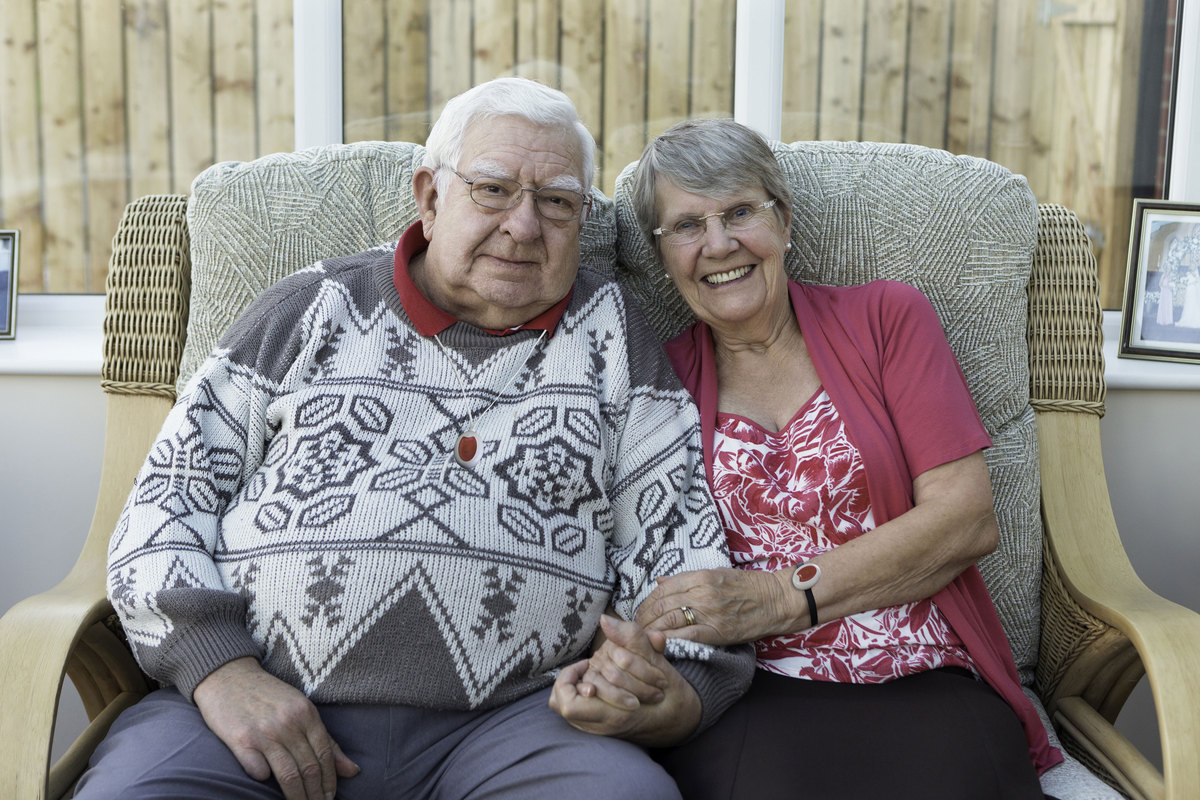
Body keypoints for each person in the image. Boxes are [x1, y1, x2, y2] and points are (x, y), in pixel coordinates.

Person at [78, 79, 753, 800]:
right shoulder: (308, 309)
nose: (525, 227)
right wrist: (220, 671)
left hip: (513, 725)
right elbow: (161, 509)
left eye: (557, 202)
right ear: (430, 197)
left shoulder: (615, 339)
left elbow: (679, 543)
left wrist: (677, 685)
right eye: (493, 190)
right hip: (254, 704)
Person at [597, 118, 1063, 799]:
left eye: (738, 212)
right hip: (755, 695)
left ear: (783, 221)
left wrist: (784, 596)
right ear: (665, 255)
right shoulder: (657, 384)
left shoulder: (886, 319)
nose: (719, 244)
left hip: (923, 670)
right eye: (688, 226)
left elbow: (965, 519)